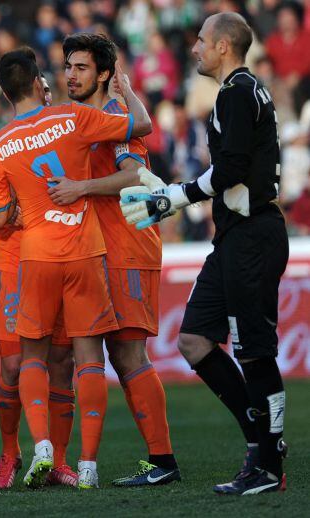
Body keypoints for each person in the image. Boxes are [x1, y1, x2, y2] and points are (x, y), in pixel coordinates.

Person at [120, 12, 288, 495]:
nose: (193, 48)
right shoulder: (240, 90)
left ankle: (269, 463)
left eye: (200, 40)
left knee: (253, 350)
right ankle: (259, 442)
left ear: (222, 47)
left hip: (252, 234)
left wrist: (175, 196)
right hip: (237, 234)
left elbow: (232, 168)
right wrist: (177, 192)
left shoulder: (236, 91)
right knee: (194, 338)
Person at [0, 46, 152, 489]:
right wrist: (127, 91)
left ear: (4, 92)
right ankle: (88, 466)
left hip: (35, 256)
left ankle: (39, 450)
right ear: (40, 82)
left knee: (32, 355)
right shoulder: (71, 117)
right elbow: (142, 126)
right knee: (87, 356)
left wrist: (24, 209)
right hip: (84, 250)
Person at [44, 32, 180, 487]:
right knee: (85, 356)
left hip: (127, 246)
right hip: (94, 250)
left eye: (81, 68)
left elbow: (132, 175)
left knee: (127, 352)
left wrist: (80, 188)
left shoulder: (116, 114)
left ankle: (162, 461)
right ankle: (71, 462)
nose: (71, 75)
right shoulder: (83, 117)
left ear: (105, 74)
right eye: (68, 66)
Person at [0, 112, 80, 492]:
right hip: (15, 262)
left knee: (62, 360)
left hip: (62, 255)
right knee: (13, 364)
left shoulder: (64, 130)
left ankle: (59, 461)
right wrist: (4, 210)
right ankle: (9, 453)